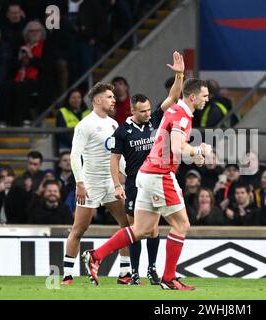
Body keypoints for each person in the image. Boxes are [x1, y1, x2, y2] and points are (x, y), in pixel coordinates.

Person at [82, 78, 211, 290]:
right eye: (205, 96)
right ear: (193, 97)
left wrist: (179, 76)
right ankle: (169, 278)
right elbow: (178, 147)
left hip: (146, 173)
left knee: (141, 229)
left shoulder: (174, 110)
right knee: (182, 225)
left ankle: (96, 256)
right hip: (160, 175)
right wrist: (198, 150)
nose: (207, 100)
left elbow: (173, 143)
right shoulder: (182, 116)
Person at [109, 51, 185, 285]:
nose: (148, 113)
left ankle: (152, 269)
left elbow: (172, 98)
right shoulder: (122, 131)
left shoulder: (155, 120)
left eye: (149, 109)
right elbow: (114, 160)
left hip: (156, 180)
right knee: (136, 228)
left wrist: (180, 75)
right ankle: (134, 272)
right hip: (133, 183)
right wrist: (117, 185)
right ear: (132, 110)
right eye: (143, 110)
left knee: (153, 230)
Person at [62, 82, 131, 285]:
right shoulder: (85, 125)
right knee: (79, 229)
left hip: (112, 183)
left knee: (126, 226)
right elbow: (75, 156)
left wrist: (132, 175)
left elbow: (119, 157)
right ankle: (67, 275)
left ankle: (125, 274)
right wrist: (80, 183)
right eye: (109, 97)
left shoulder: (114, 124)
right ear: (98, 100)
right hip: (90, 185)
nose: (113, 100)